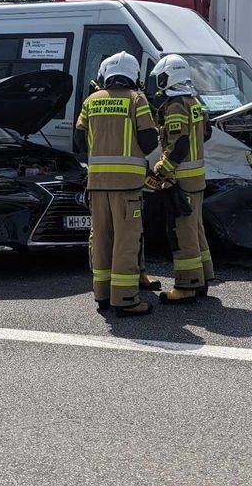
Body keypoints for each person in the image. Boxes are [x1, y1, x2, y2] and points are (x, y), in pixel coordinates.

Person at [74, 52, 160, 317]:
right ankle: (125, 299)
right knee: (126, 240)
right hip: (127, 187)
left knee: (100, 238)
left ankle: (102, 294)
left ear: (105, 74)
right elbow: (149, 142)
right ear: (133, 75)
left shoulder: (91, 101)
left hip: (97, 185)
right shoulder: (137, 100)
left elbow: (77, 144)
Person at [149, 54, 213, 304]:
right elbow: (204, 134)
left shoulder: (176, 105)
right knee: (196, 229)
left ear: (169, 77)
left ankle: (186, 285)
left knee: (181, 232)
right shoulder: (194, 101)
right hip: (197, 179)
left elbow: (179, 144)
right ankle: (203, 278)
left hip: (182, 180)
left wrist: (162, 169)